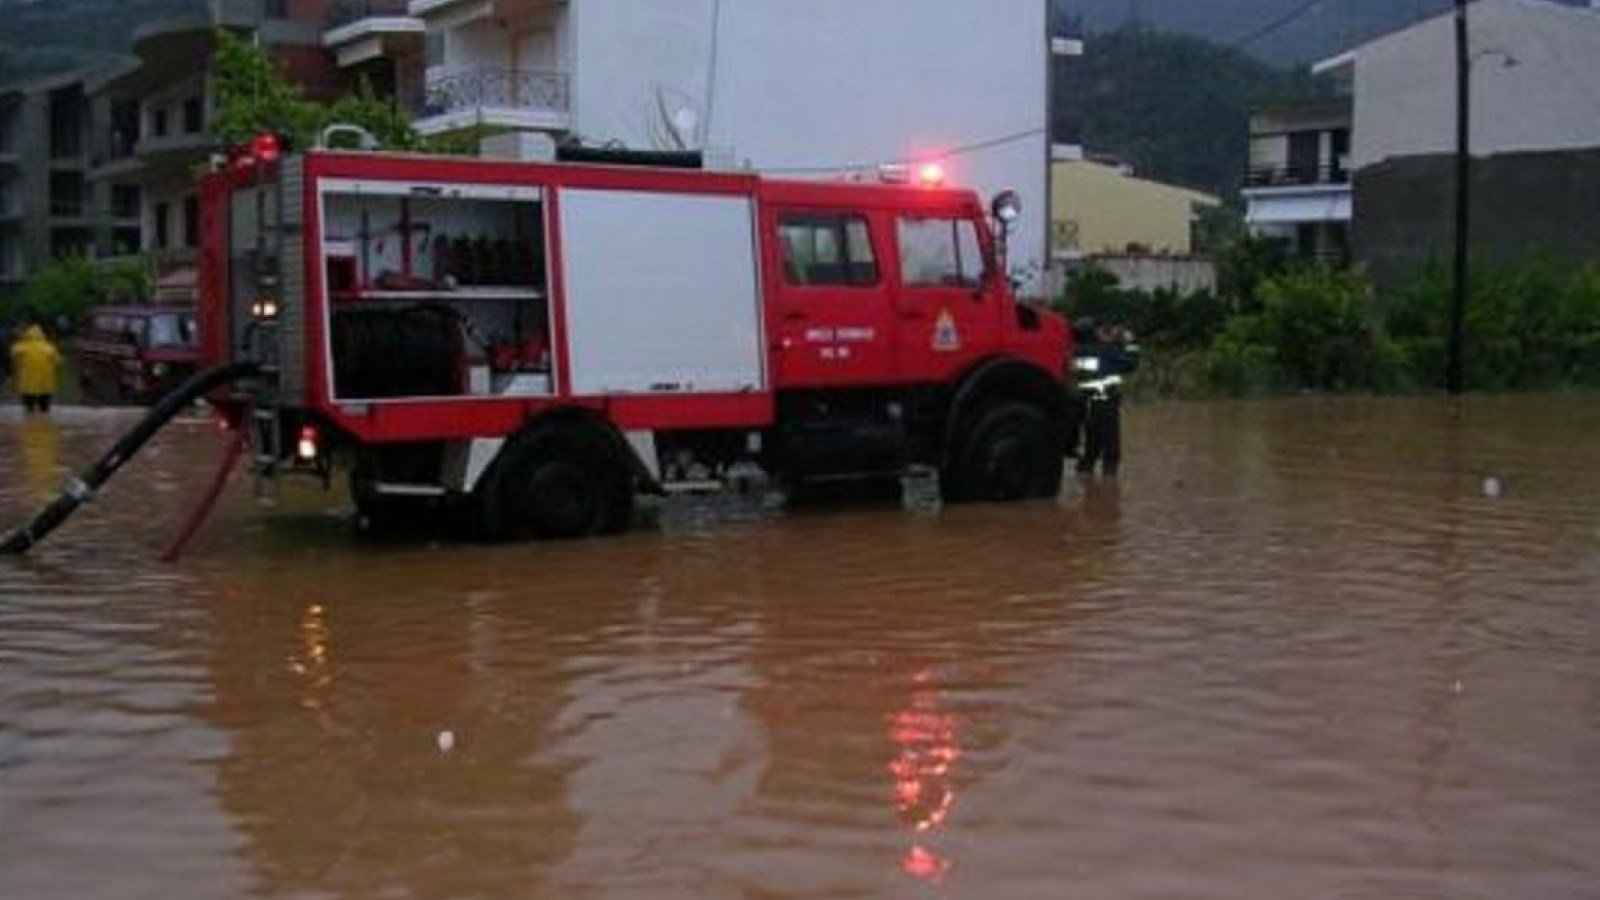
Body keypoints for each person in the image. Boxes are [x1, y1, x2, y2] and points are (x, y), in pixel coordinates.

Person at [1073, 318, 1139, 477]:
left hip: (1088, 402)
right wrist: (1131, 343)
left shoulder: (1078, 353)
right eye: (1099, 329)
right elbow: (1131, 364)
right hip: (1106, 401)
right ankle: (1109, 482)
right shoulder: (1106, 351)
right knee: (1110, 445)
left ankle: (1086, 471)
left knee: (1091, 442)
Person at [9, 323, 64, 414]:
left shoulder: (21, 346)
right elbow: (59, 362)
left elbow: (13, 355)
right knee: (45, 409)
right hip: (45, 381)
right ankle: (44, 418)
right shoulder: (49, 347)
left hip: (27, 381)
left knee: (28, 409)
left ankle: (29, 418)